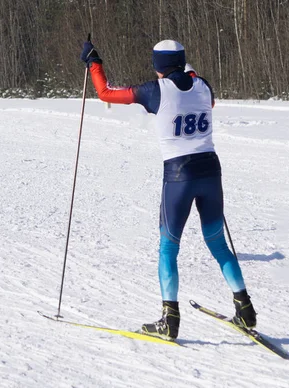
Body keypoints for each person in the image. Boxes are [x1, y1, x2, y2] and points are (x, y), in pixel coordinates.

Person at [80, 39, 256, 341]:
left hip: (179, 175)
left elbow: (105, 93)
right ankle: (245, 309)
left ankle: (169, 319)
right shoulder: (203, 86)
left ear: (157, 66)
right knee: (217, 242)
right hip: (211, 170)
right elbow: (198, 91)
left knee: (169, 246)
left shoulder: (154, 91)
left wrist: (94, 64)